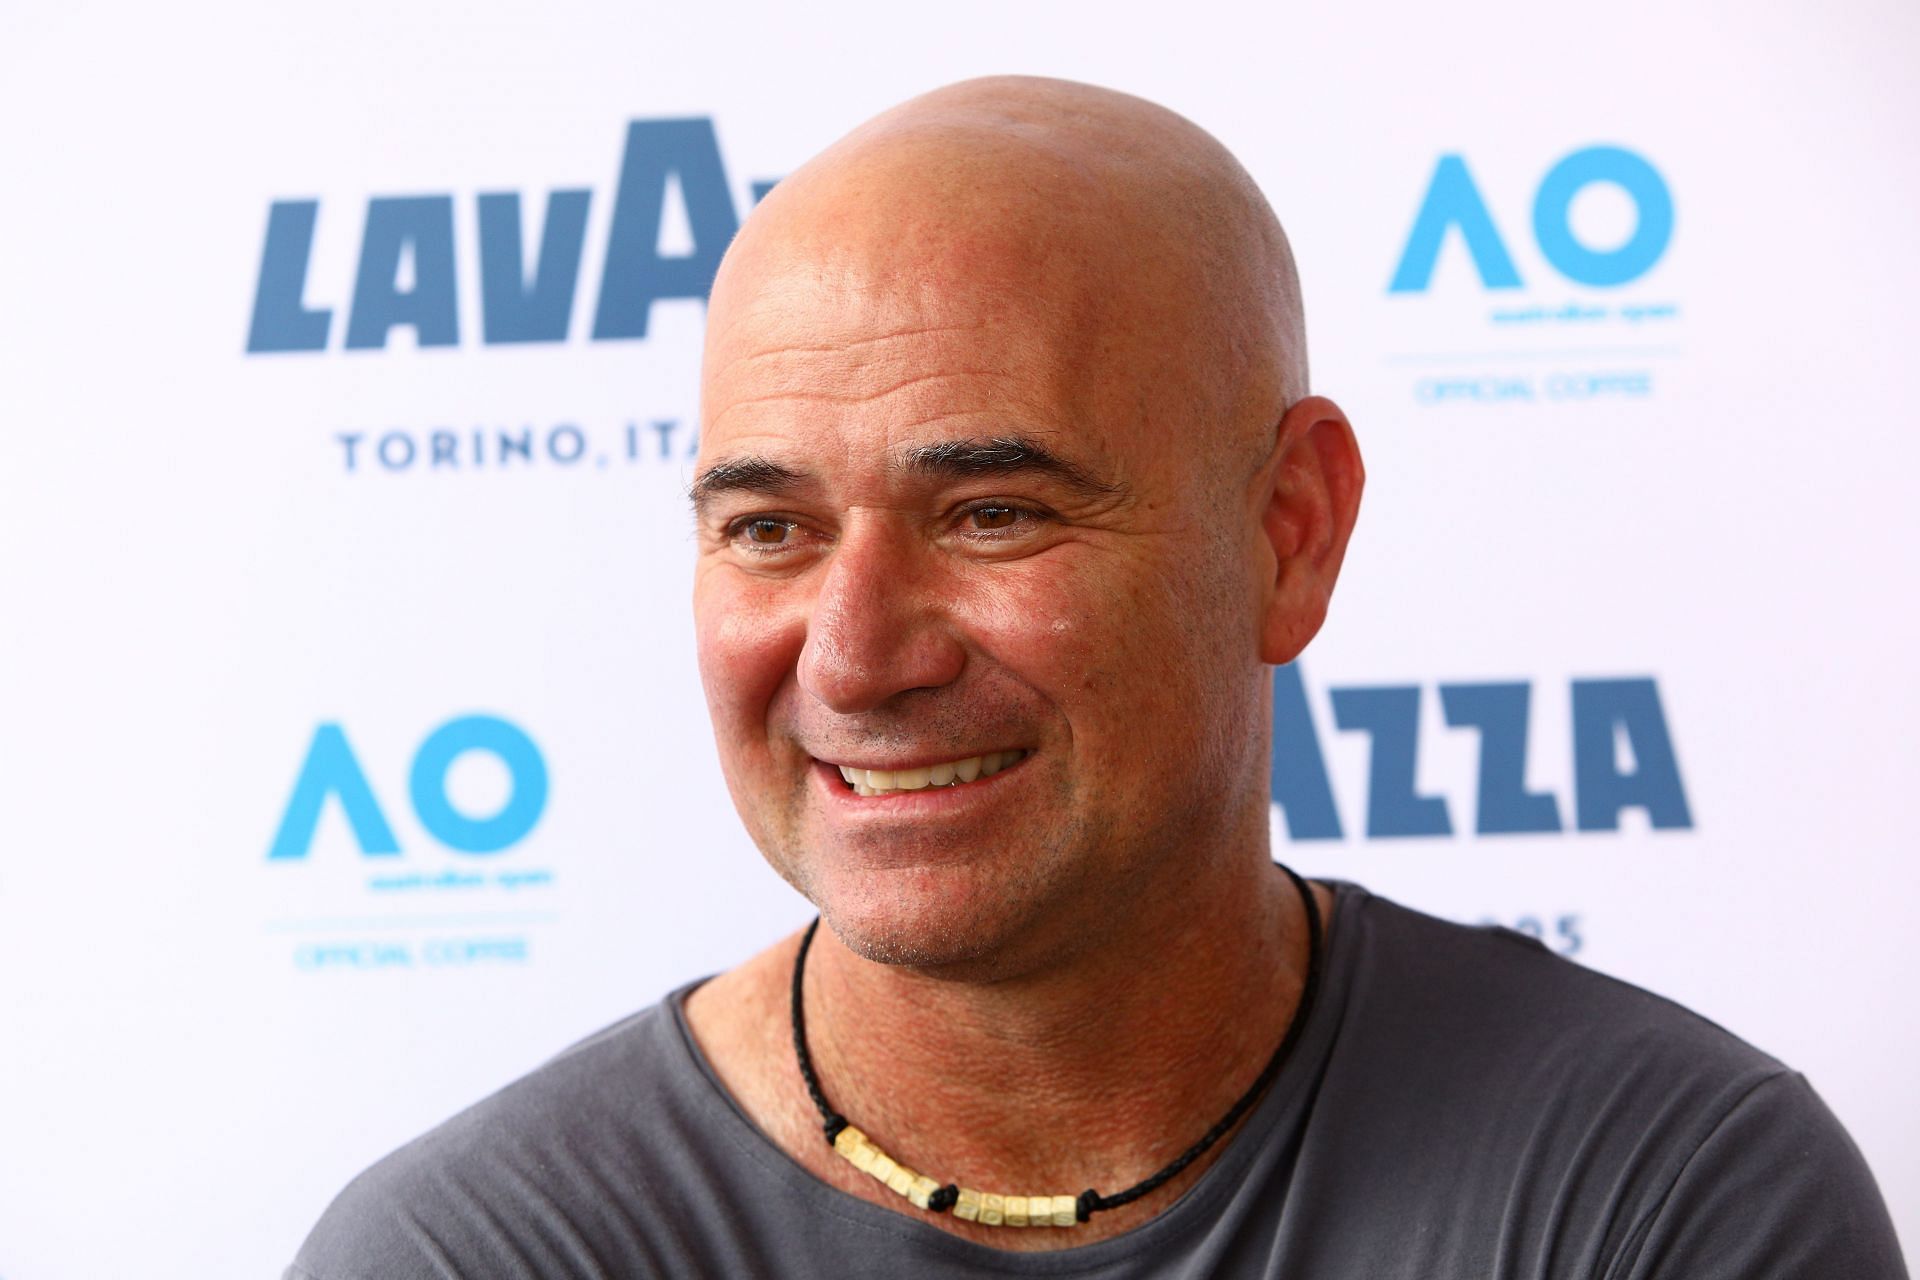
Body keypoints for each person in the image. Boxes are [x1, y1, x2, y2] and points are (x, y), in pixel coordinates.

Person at [287, 76, 1906, 1279]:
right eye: (771, 527)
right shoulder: (474, 1255)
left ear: (1289, 533)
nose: (854, 656)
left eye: (991, 513)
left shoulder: (1656, 1195)